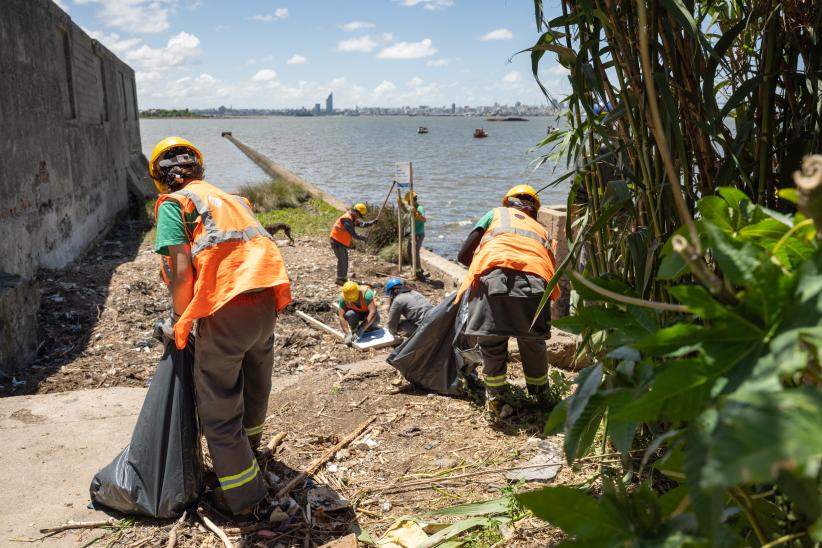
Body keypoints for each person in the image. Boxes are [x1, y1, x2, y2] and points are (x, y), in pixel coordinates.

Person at [149, 136, 291, 518]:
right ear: (198, 168)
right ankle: (249, 455)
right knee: (255, 383)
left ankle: (243, 497)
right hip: (265, 301)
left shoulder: (175, 204)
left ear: (162, 180)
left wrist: (180, 321)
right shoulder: (234, 200)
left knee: (219, 406)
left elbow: (181, 272)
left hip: (227, 309)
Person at [455, 184, 559, 417]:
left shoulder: (495, 214)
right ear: (534, 209)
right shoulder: (542, 230)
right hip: (535, 283)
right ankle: (541, 396)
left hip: (493, 280)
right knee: (533, 342)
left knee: (492, 342)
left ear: (508, 202)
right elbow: (549, 267)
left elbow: (463, 256)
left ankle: (496, 400)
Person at [329, 203, 375, 285]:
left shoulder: (352, 218)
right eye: (359, 215)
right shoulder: (347, 220)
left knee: (345, 260)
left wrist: (371, 223)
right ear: (356, 212)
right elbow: (354, 234)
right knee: (342, 260)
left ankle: (342, 278)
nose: (359, 218)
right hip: (336, 241)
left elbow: (361, 224)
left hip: (340, 242)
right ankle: (340, 279)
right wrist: (364, 238)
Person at [337, 281, 380, 345]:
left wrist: (362, 329)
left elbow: (373, 312)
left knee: (375, 320)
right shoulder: (343, 297)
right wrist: (348, 334)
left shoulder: (366, 293)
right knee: (349, 314)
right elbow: (341, 317)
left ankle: (367, 329)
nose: (352, 300)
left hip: (368, 314)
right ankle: (354, 330)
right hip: (356, 314)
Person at [399, 191, 426, 279]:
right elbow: (406, 211)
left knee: (415, 252)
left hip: (418, 234)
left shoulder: (419, 208)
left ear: (413, 200)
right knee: (409, 252)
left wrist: (416, 213)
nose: (409, 204)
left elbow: (424, 219)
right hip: (412, 234)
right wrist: (402, 205)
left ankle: (418, 272)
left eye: (409, 202)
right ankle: (414, 268)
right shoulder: (412, 207)